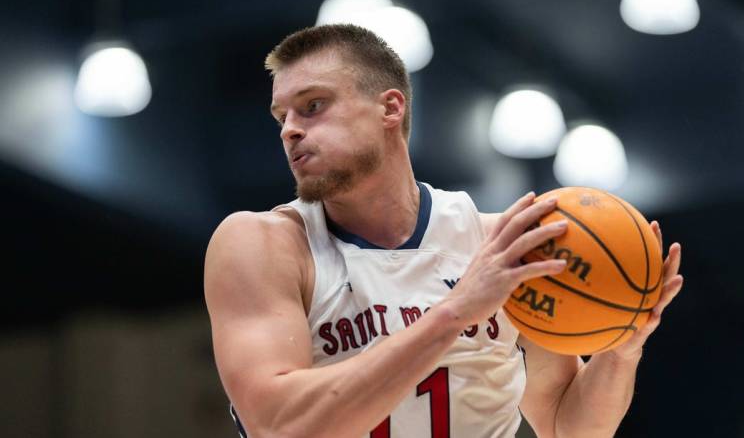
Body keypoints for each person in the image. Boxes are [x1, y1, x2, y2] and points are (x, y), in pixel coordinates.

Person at [203, 24, 684, 438]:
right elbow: (279, 426)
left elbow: (565, 424)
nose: (289, 129)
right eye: (281, 116)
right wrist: (454, 312)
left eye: (312, 106)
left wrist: (621, 350)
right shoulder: (263, 244)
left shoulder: (500, 243)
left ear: (390, 109)